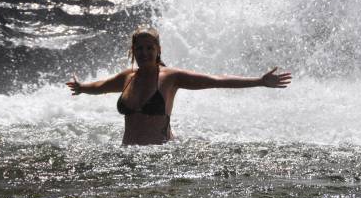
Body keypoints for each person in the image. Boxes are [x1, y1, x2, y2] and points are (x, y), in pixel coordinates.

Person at [66, 27, 292, 145]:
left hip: (161, 156)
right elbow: (100, 86)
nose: (144, 53)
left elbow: (216, 80)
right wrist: (82, 87)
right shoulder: (127, 77)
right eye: (139, 48)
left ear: (158, 50)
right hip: (128, 154)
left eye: (149, 48)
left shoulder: (170, 77)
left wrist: (259, 81)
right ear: (132, 51)